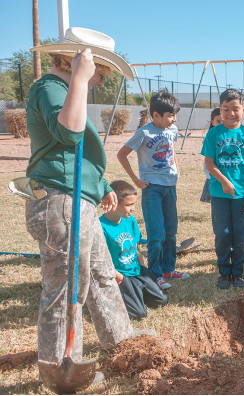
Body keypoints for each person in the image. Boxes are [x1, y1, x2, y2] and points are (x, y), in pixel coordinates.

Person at [23, 28, 151, 386]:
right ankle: (62, 368)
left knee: (101, 275)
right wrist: (80, 78)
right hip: (60, 203)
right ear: (81, 60)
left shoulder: (67, 90)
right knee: (65, 290)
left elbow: (72, 154)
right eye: (101, 71)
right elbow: (70, 132)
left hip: (79, 199)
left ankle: (121, 342)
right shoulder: (51, 88)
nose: (102, 80)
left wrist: (102, 185)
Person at [118, 88, 190, 291]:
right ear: (156, 115)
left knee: (171, 231)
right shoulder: (144, 132)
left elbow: (171, 149)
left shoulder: (172, 130)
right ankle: (156, 274)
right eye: (170, 116)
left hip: (170, 187)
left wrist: (176, 168)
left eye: (175, 115)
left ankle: (168, 269)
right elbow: (121, 155)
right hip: (152, 189)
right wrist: (136, 180)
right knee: (156, 234)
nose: (174, 120)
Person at [202, 89, 244, 290]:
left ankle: (238, 272)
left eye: (235, 109)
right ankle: (225, 272)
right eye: (225, 109)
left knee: (240, 235)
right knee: (223, 233)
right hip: (219, 194)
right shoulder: (213, 133)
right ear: (220, 109)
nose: (230, 113)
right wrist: (224, 181)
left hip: (242, 195)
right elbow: (209, 163)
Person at [100, 180, 168, 320]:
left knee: (161, 300)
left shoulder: (130, 220)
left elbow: (136, 247)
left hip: (136, 271)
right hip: (119, 276)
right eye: (128, 205)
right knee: (139, 314)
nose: (133, 209)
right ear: (113, 203)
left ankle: (135, 293)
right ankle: (115, 297)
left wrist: (143, 271)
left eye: (134, 204)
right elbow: (101, 261)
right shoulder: (101, 227)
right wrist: (121, 278)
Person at [200, 108, 223, 203]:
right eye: (218, 121)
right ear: (212, 122)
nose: (221, 124)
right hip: (212, 176)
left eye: (224, 121)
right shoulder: (209, 138)